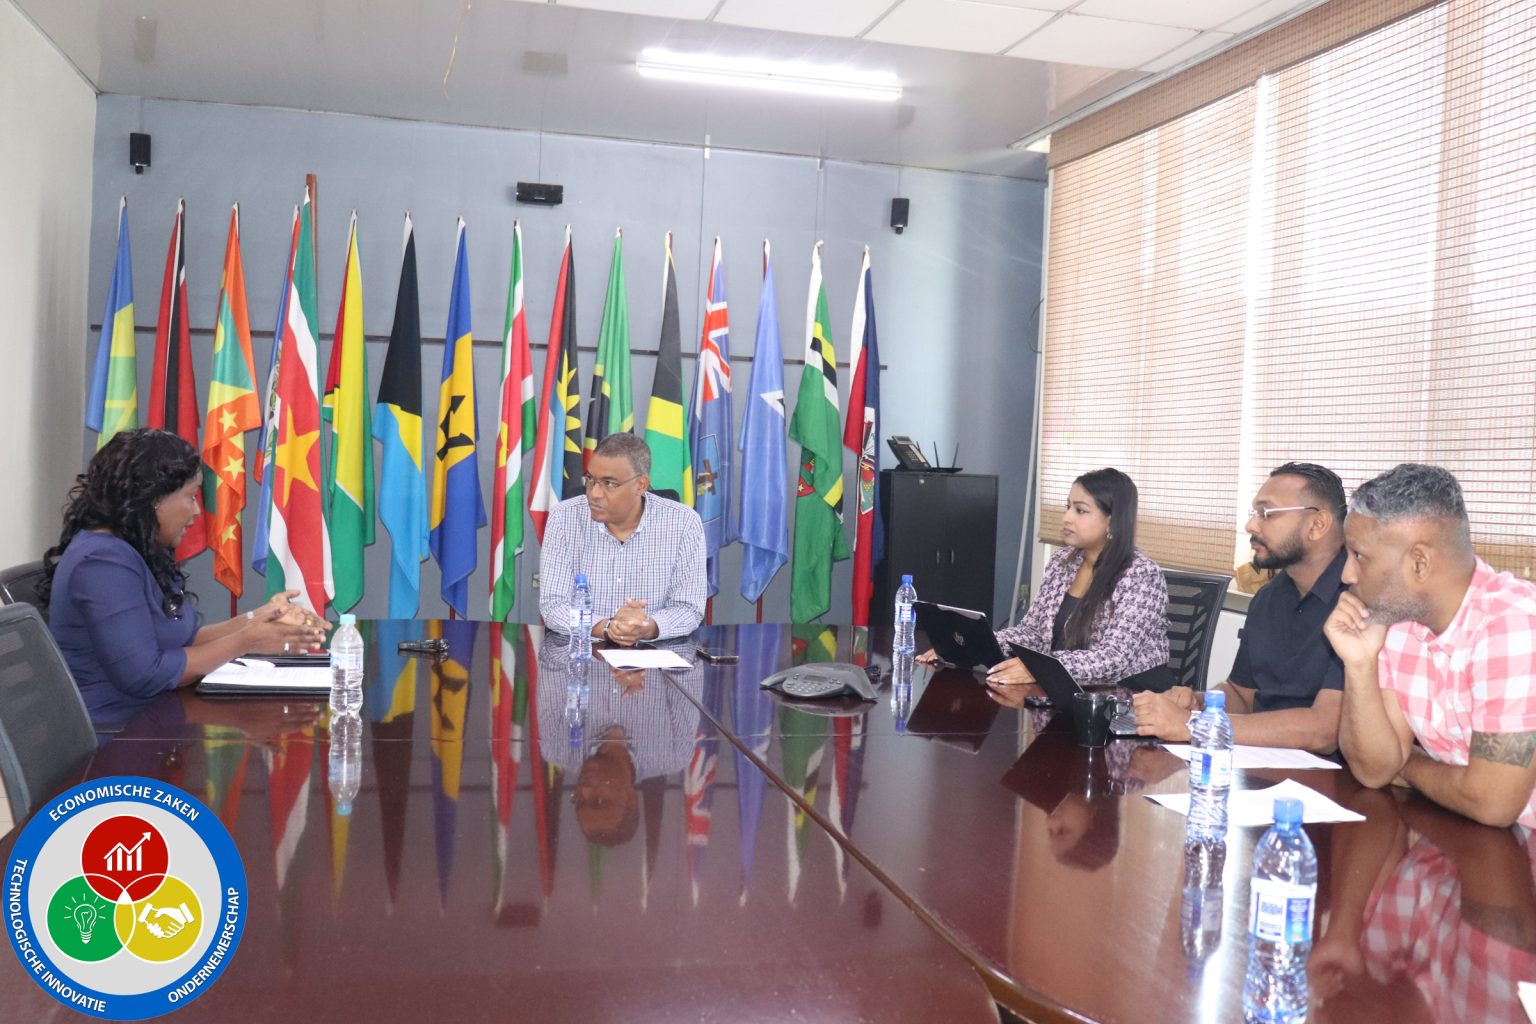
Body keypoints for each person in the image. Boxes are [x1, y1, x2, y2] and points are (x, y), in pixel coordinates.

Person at [40, 429, 327, 728]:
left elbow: (182, 639)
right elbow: (145, 675)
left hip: (157, 719)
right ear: (154, 500)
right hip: (117, 736)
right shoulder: (103, 563)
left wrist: (258, 618)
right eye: (190, 497)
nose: (196, 511)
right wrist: (247, 640)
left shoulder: (136, 547)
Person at [1326, 463, 1536, 829]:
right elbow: (1373, 771)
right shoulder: (1397, 622)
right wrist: (1359, 664)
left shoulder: (1514, 625)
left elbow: (1492, 802)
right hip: (1466, 835)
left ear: (1419, 562)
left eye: (1358, 555)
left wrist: (1405, 762)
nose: (1347, 574)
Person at [1134, 463, 1348, 753]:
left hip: (1330, 774)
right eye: (1254, 513)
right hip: (1263, 760)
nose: (1251, 526)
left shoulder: (1359, 601)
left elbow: (1325, 730)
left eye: (1267, 514)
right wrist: (1198, 703)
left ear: (1317, 525)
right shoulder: (1269, 597)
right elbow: (1241, 696)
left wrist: (1192, 724)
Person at [923, 468, 1168, 700]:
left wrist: (1038, 668)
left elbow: (1114, 659)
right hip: (1067, 689)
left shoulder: (1141, 575)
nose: (1066, 517)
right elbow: (1033, 633)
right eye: (1068, 507)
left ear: (1112, 521)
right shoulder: (1063, 561)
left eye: (1080, 510)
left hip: (1130, 699)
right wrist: (972, 645)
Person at [538, 433, 706, 645]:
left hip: (654, 656)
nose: (594, 493)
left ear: (641, 485)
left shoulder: (684, 523)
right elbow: (553, 606)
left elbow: (689, 608)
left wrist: (646, 627)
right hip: (582, 654)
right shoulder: (564, 518)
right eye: (590, 480)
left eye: (609, 483)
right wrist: (607, 628)